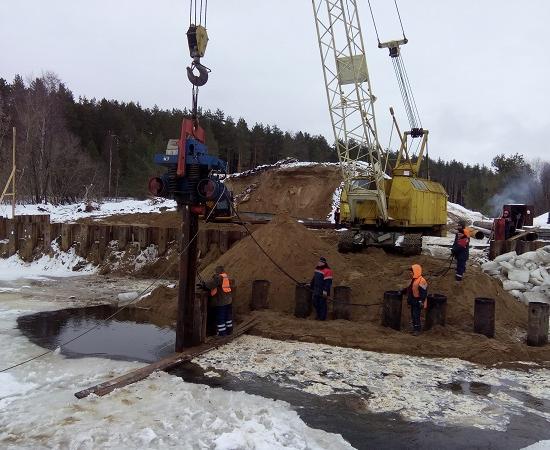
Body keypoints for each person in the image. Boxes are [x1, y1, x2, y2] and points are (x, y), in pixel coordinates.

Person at [203, 265, 233, 336]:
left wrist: (204, 285)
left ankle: (222, 334)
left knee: (220, 318)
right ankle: (229, 331)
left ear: (218, 271)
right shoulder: (225, 276)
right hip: (228, 300)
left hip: (221, 302)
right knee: (228, 317)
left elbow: (212, 284)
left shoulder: (219, 277)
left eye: (216, 271)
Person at [402, 264, 428, 335]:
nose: (410, 273)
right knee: (413, 315)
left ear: (415, 272)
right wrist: (402, 291)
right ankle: (414, 328)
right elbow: (409, 289)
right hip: (413, 301)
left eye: (411, 272)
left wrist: (421, 301)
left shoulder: (422, 281)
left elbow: (424, 292)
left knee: (416, 315)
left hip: (418, 301)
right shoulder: (414, 280)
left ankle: (417, 330)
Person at [310, 256, 333, 321]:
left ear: (323, 263)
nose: (319, 263)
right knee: (315, 302)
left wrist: (325, 291)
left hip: (322, 291)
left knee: (322, 304)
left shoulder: (328, 271)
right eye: (319, 261)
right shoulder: (317, 269)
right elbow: (314, 278)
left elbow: (328, 282)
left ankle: (322, 318)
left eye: (320, 262)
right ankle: (318, 315)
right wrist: (310, 285)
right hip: (316, 290)